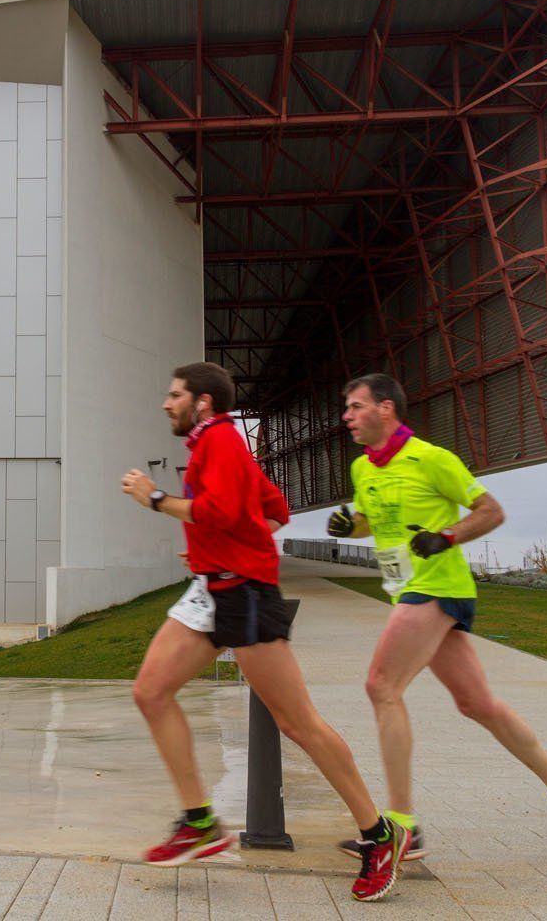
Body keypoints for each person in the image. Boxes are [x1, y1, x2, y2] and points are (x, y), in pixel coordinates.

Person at [122, 362, 410, 903]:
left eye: (175, 394)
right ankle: (198, 821)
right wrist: (235, 546)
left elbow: (222, 512)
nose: (167, 403)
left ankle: (379, 835)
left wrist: (155, 499)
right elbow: (273, 510)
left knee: (297, 722)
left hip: (246, 596)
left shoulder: (223, 441)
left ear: (203, 402)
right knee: (151, 692)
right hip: (212, 590)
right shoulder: (214, 446)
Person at [329, 373, 547, 862]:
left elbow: (491, 511)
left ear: (386, 409)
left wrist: (447, 537)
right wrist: (350, 524)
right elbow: (373, 520)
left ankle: (403, 827)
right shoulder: (362, 469)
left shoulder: (433, 459)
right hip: (406, 590)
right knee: (478, 705)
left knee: (381, 686)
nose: (346, 416)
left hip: (438, 587)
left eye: (355, 406)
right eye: (346, 408)